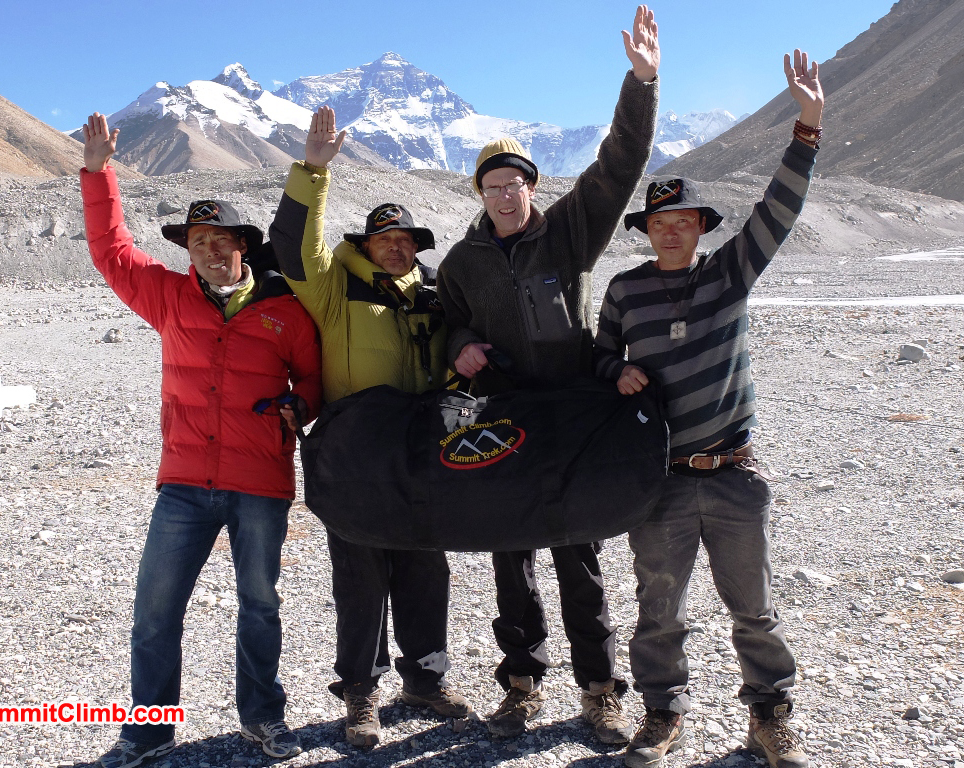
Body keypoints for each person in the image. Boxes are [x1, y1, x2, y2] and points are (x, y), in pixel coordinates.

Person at [592, 51, 824, 768]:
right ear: (647, 229)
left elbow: (778, 209)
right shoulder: (625, 292)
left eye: (684, 218)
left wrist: (807, 130)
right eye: (660, 220)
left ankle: (770, 715)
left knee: (753, 607)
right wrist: (617, 368)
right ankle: (662, 716)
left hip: (731, 473)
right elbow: (595, 359)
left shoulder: (731, 272)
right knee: (659, 612)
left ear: (700, 226)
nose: (672, 229)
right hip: (659, 480)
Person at [435, 5, 660, 744]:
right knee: (510, 558)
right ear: (479, 194)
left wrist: (641, 83)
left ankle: (599, 688)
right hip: (501, 419)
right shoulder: (464, 261)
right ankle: (522, 683)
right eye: (491, 186)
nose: (504, 195)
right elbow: (446, 321)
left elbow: (619, 164)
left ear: (531, 186)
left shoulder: (569, 231)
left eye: (515, 183)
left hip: (570, 418)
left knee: (579, 555)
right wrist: (462, 342)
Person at [79, 113, 323, 768]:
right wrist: (99, 171)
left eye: (222, 239)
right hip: (183, 486)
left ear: (245, 245)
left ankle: (263, 721)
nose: (210, 250)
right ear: (188, 248)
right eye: (197, 240)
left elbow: (316, 381)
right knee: (154, 614)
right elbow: (111, 250)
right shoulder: (167, 298)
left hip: (260, 486)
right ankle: (149, 731)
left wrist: (297, 407)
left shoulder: (286, 312)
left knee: (260, 608)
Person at [269, 105, 471, 748]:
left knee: (424, 566)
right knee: (359, 576)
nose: (397, 246)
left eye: (406, 240)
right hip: (356, 455)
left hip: (422, 454)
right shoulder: (333, 287)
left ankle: (425, 678)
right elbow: (292, 244)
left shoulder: (435, 296)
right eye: (385, 239)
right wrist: (312, 172)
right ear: (364, 245)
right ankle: (361, 692)